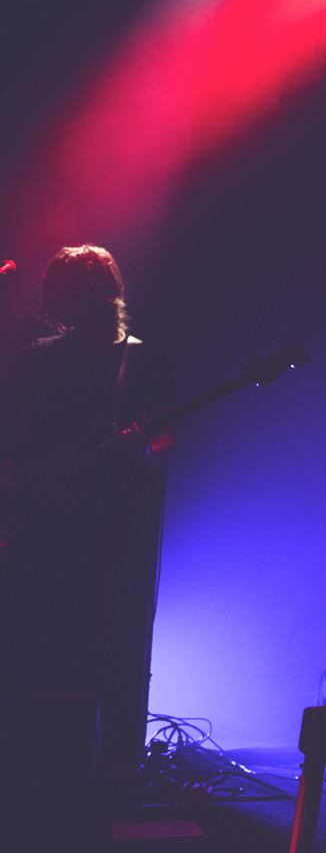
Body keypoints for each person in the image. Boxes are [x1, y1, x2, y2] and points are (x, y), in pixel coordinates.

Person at [0, 245, 173, 777]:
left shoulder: (140, 359)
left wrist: (142, 444)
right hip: (41, 523)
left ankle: (105, 766)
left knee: (103, 646)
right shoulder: (37, 357)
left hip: (110, 526)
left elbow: (164, 443)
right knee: (38, 644)